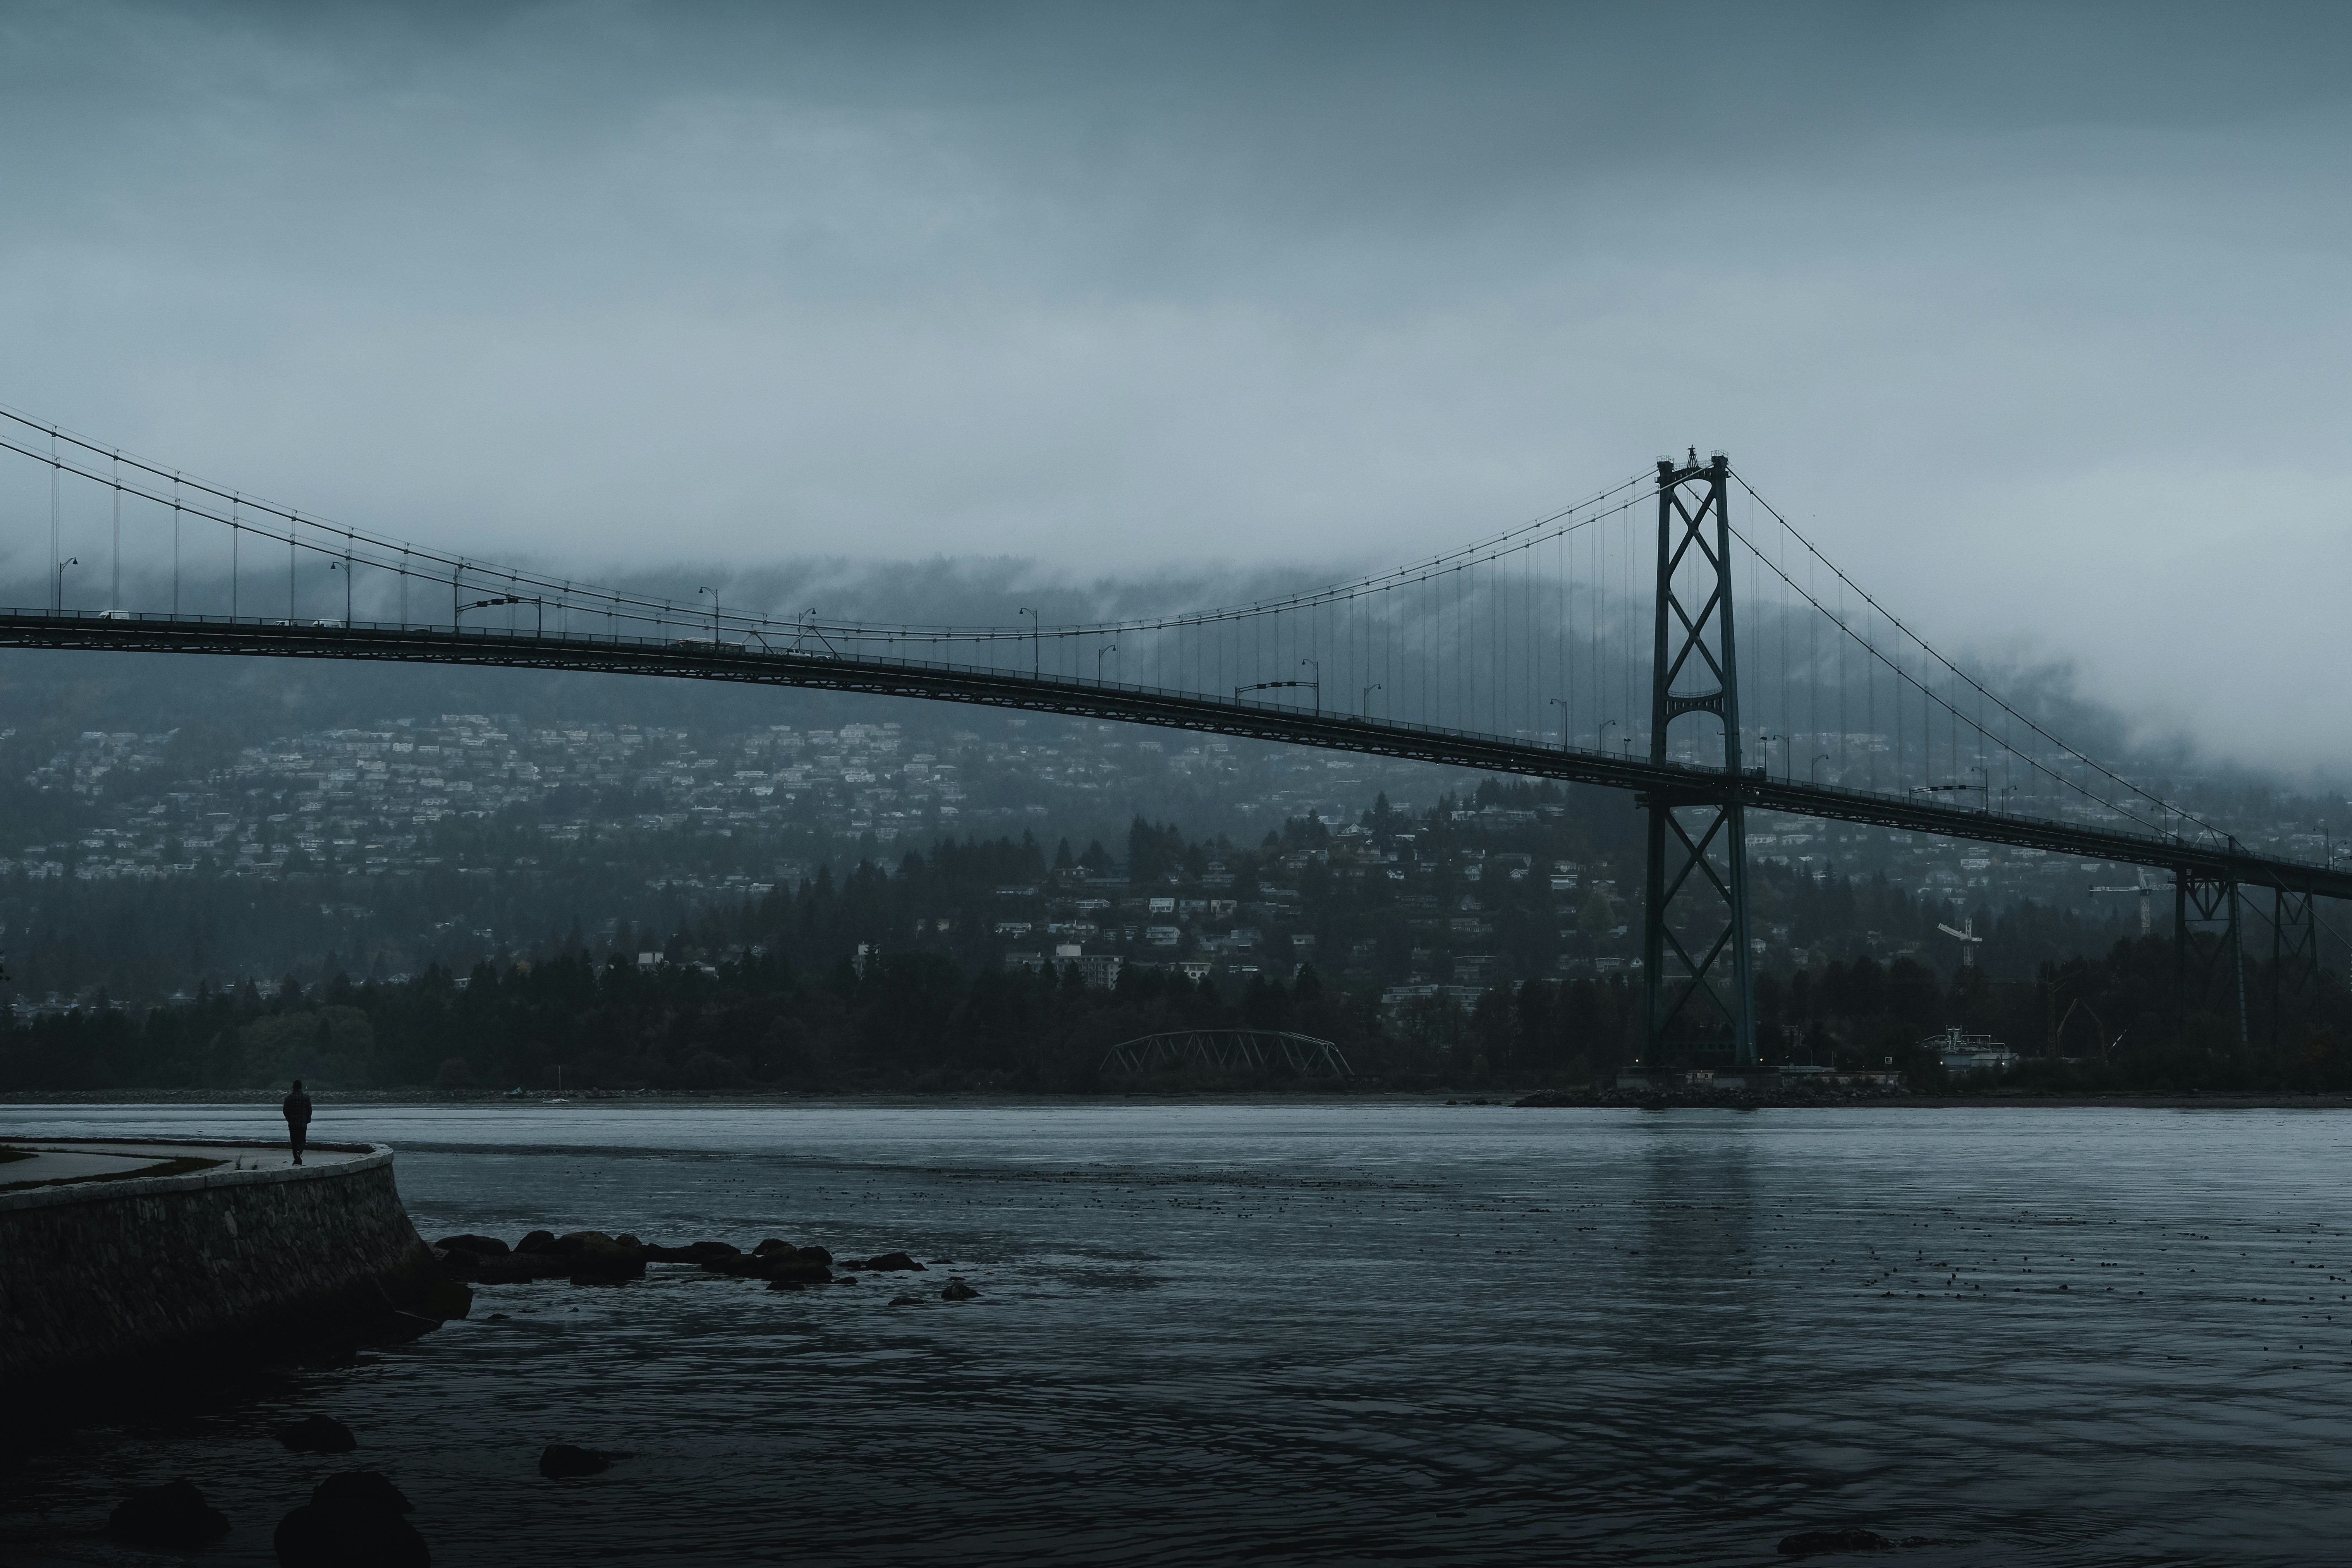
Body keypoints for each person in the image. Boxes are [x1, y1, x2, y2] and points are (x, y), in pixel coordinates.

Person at [283, 1079, 313, 1165]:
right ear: (301, 1087)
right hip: (303, 1123)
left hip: (293, 1124)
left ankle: (297, 1159)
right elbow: (309, 1110)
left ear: (293, 1088)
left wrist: (289, 1119)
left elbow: (285, 1111)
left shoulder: (289, 1098)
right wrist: (308, 1119)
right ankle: (299, 1152)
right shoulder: (306, 1098)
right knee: (302, 1141)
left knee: (294, 1142)